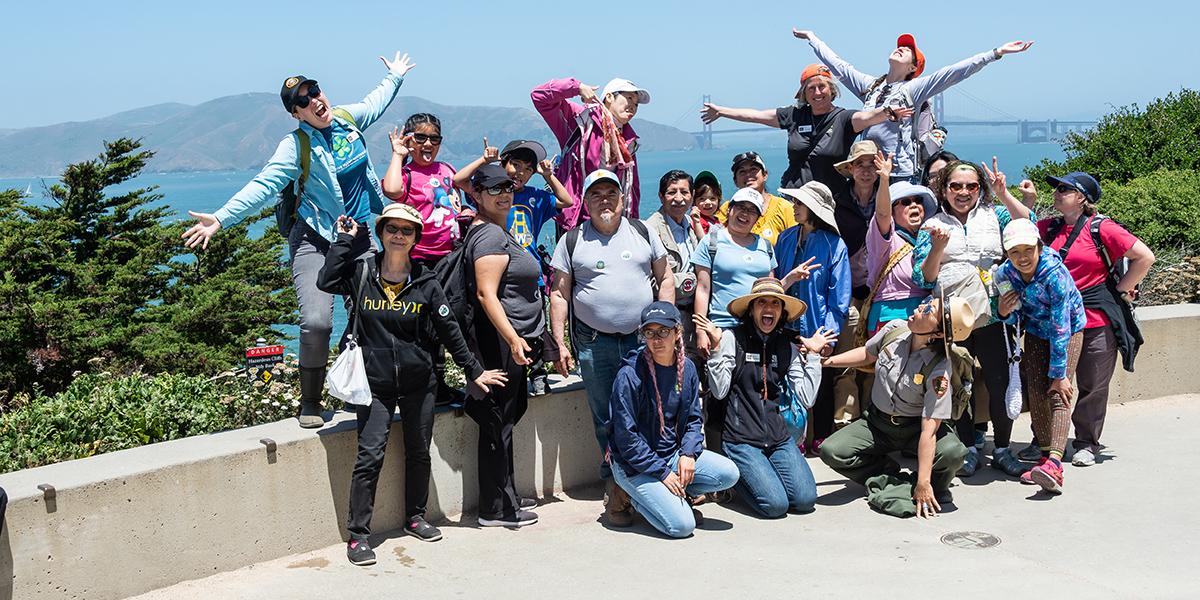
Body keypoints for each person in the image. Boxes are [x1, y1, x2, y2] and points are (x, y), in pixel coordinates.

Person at [182, 52, 416, 429]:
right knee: (316, 321)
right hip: (316, 239)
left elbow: (376, 101)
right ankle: (310, 400)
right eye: (303, 100)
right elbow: (264, 184)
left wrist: (395, 76)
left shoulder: (346, 119)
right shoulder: (296, 146)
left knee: (372, 313)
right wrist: (221, 218)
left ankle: (360, 388)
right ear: (296, 113)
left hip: (357, 238)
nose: (314, 100)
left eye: (315, 91)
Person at [317, 203, 507, 565]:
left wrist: (473, 370)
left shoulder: (425, 280)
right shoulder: (362, 272)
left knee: (419, 451)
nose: (399, 235)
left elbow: (450, 329)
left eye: (407, 230)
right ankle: (358, 535)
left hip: (420, 381)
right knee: (370, 455)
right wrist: (343, 241)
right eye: (392, 229)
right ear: (382, 233)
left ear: (416, 238)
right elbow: (325, 280)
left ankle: (415, 517)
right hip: (373, 384)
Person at [548, 169, 674, 523]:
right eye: (596, 194)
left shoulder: (642, 232)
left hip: (642, 341)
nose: (605, 200)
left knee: (651, 409)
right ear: (586, 202)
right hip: (593, 342)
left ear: (622, 198)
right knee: (605, 417)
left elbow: (665, 279)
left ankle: (652, 477)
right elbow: (559, 293)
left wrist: (666, 326)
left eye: (611, 193)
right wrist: (559, 341)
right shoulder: (572, 241)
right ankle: (615, 485)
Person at [912, 159, 1032, 478]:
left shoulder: (997, 215)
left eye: (971, 186)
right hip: (954, 316)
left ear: (980, 188)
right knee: (958, 384)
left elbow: (1028, 222)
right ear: (944, 189)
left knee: (1000, 382)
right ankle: (968, 448)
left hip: (995, 313)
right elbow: (923, 277)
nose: (963, 192)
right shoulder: (932, 224)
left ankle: (1003, 448)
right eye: (955, 186)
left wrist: (1004, 193)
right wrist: (938, 247)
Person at [793, 28, 1034, 181]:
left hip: (899, 173)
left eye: (908, 51)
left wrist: (995, 53)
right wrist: (813, 38)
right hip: (870, 170)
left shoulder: (913, 89)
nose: (901, 48)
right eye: (901, 46)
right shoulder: (871, 87)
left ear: (912, 69)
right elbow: (839, 67)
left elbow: (953, 72)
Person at [1030, 173, 1154, 467]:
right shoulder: (1047, 228)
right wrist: (1014, 198)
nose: (1057, 193)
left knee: (1093, 384)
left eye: (1064, 189)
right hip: (1053, 320)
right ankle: (1045, 442)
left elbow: (1144, 257)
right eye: (1057, 188)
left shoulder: (1101, 228)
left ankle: (1086, 442)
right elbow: (1020, 232)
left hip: (1094, 319)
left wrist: (1121, 290)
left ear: (1083, 198)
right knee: (1048, 382)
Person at [819, 292, 974, 518]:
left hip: (915, 429)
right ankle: (887, 475)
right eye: (926, 304)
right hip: (877, 423)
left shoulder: (939, 370)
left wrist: (922, 483)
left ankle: (932, 487)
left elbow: (929, 430)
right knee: (831, 451)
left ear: (938, 333)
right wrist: (828, 362)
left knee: (953, 453)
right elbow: (867, 354)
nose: (921, 308)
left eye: (929, 310)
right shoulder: (895, 329)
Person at [695, 278, 832, 518]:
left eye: (775, 304)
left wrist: (813, 356)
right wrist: (716, 351)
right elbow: (718, 391)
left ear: (782, 312)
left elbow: (807, 399)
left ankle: (761, 475)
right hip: (740, 440)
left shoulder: (787, 346)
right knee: (775, 506)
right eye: (762, 302)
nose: (769, 308)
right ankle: (733, 483)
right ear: (751, 309)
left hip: (778, 438)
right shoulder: (731, 338)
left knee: (805, 499)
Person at [461, 164, 551, 527]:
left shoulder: (492, 231)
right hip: (500, 344)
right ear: (477, 195)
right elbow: (486, 293)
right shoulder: (491, 237)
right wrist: (514, 339)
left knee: (503, 421)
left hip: (503, 342)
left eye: (508, 187)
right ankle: (497, 509)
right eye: (493, 188)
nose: (503, 194)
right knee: (499, 422)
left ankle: (503, 496)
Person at [608, 302, 741, 537]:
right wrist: (663, 473)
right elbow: (626, 439)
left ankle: (673, 495)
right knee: (682, 527)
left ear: (678, 332)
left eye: (663, 331)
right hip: (634, 466)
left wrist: (688, 453)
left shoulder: (687, 368)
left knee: (729, 473)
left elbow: (693, 418)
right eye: (650, 333)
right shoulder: (629, 375)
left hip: (671, 455)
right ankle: (628, 495)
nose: (656, 339)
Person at [700, 63, 912, 199]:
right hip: (795, 197)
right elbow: (756, 115)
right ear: (803, 93)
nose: (817, 92)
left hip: (831, 199)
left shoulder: (844, 119)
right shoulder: (794, 115)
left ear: (832, 90)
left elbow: (867, 117)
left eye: (822, 87)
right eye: (811, 88)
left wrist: (887, 112)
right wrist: (722, 111)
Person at [382, 112, 469, 406]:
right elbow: (392, 191)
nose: (428, 143)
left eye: (434, 138)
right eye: (420, 137)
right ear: (409, 139)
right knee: (419, 325)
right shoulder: (405, 173)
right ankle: (419, 385)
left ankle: (439, 385)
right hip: (417, 259)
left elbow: (465, 191)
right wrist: (398, 155)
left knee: (444, 322)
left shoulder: (446, 169)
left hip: (449, 257)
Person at [996, 219, 1085, 494]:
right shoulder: (1003, 275)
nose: (1022, 257)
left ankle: (1055, 464)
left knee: (1059, 392)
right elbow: (1012, 317)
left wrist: (1059, 374)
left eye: (1027, 249)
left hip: (1067, 331)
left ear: (1039, 245)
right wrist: (1002, 310)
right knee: (1036, 393)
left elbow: (1061, 325)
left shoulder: (1054, 274)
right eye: (1014, 252)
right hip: (1034, 331)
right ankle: (1045, 455)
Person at [774, 181, 850, 452]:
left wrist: (828, 334)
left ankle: (822, 434)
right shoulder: (784, 239)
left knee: (823, 380)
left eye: (799, 203)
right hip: (786, 325)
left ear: (814, 209)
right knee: (789, 379)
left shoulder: (834, 245)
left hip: (818, 326)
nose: (794, 207)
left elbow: (839, 295)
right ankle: (795, 434)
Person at [532, 77, 650, 230]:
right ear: (609, 97)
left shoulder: (627, 140)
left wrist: (633, 226)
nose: (633, 106)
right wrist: (576, 87)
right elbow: (538, 96)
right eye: (629, 98)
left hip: (610, 219)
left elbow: (632, 189)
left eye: (636, 104)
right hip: (576, 218)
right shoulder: (581, 120)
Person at [862, 159, 938, 336]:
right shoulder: (884, 239)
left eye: (918, 201)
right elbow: (881, 214)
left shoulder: (927, 239)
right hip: (891, 317)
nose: (913, 205)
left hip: (925, 317)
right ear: (892, 210)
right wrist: (884, 180)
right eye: (905, 202)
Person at [644, 170, 703, 356]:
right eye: (672, 192)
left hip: (692, 314)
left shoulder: (690, 224)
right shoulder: (651, 230)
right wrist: (691, 282)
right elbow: (648, 280)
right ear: (661, 196)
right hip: (666, 315)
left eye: (684, 192)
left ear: (692, 196)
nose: (679, 198)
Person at [714, 152, 798, 244]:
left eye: (753, 169)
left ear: (765, 175)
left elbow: (797, 241)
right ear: (735, 181)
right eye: (742, 172)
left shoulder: (784, 208)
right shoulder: (728, 209)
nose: (748, 175)